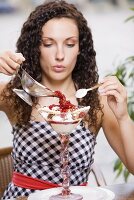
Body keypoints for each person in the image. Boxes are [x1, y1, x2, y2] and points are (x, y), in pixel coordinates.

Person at [0, 0, 134, 199]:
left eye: (70, 44)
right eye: (48, 44)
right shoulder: (15, 94)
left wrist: (123, 117)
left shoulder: (96, 102)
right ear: (36, 47)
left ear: (80, 48)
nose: (60, 55)